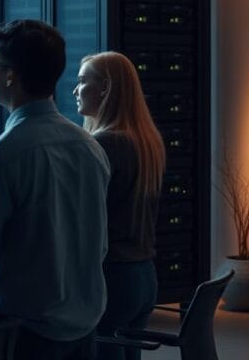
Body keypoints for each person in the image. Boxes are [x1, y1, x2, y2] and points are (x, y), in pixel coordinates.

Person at [0, 19, 110, 360]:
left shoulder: (0, 158)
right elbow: (99, 243)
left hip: (23, 335)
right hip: (84, 330)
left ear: (9, 75)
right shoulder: (90, 147)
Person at [74, 52, 165, 360]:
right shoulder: (146, 139)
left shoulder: (104, 143)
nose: (75, 90)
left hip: (112, 277)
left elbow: (82, 214)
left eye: (83, 81)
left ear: (106, 88)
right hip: (143, 276)